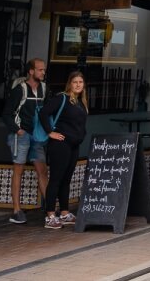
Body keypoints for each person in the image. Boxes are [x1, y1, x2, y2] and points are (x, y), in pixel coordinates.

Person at [1, 58, 49, 224]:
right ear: (31, 71)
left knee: (42, 170)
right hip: (22, 135)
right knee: (18, 170)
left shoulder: (44, 88)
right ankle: (16, 210)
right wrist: (18, 130)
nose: (43, 72)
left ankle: (50, 209)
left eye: (43, 70)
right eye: (40, 70)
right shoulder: (20, 89)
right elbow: (6, 114)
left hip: (37, 135)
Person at [40, 71, 88, 229]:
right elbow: (43, 112)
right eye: (75, 82)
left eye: (80, 82)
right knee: (56, 179)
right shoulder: (62, 98)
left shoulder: (81, 102)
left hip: (74, 145)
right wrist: (49, 132)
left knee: (66, 180)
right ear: (69, 84)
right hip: (60, 144)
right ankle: (50, 216)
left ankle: (65, 213)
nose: (78, 85)